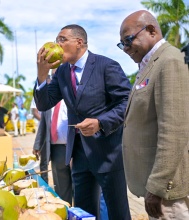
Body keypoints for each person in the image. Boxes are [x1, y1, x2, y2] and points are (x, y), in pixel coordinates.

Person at [34, 24, 131, 219]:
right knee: (84, 212)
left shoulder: (106, 65)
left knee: (117, 212)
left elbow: (127, 103)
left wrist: (100, 122)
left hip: (108, 153)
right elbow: (44, 104)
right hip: (78, 155)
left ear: (79, 42)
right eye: (56, 41)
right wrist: (42, 74)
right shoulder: (62, 72)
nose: (57, 45)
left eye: (62, 39)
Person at [119, 10, 189, 219]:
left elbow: (174, 130)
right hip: (155, 187)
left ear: (151, 30)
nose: (125, 48)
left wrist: (158, 186)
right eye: (121, 43)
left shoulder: (169, 61)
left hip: (167, 192)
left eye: (128, 40)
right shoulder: (150, 64)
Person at [33, 99, 72, 205]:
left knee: (79, 187)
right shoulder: (48, 102)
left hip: (75, 148)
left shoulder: (72, 96)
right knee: (61, 187)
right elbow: (43, 125)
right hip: (57, 150)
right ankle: (65, 211)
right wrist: (37, 145)